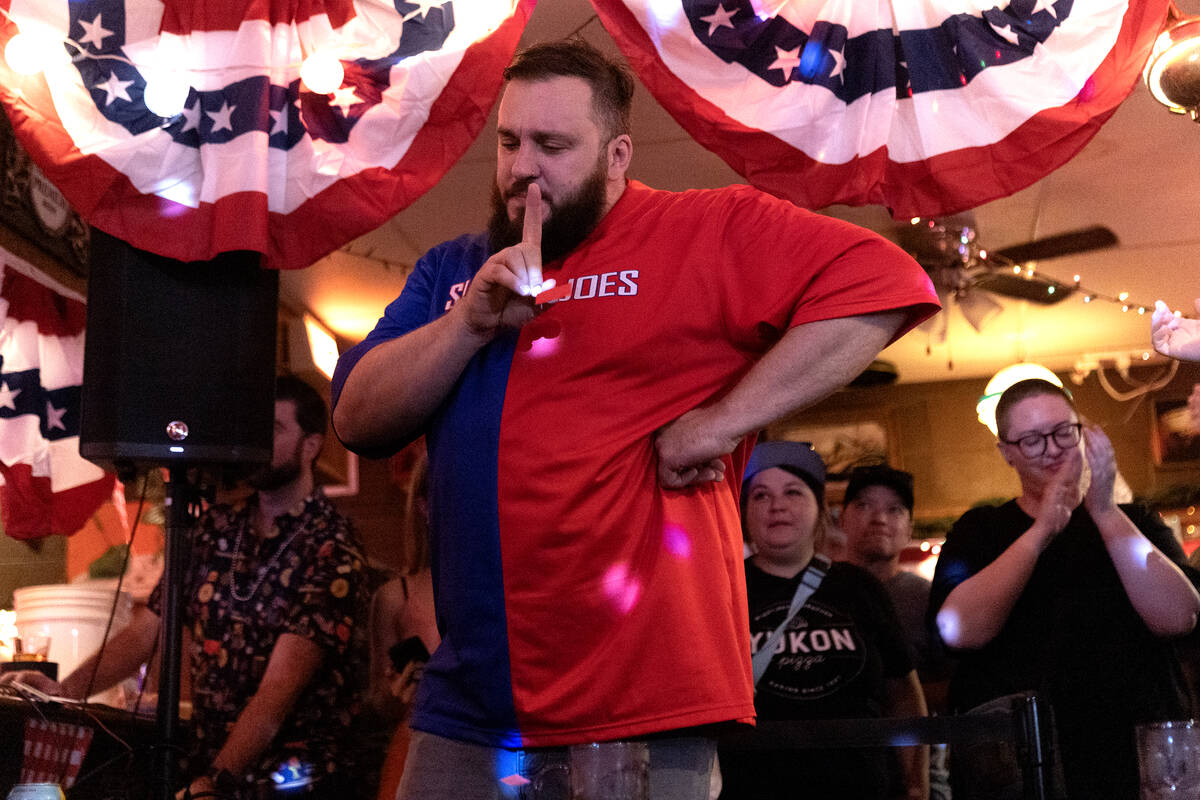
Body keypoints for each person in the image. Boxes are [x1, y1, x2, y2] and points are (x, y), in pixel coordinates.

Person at [331, 38, 939, 799]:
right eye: (510, 141)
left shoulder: (705, 228)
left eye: (553, 145)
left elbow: (885, 283)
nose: (523, 166)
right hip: (470, 706)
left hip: (645, 702)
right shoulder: (452, 270)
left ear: (619, 154)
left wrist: (721, 422)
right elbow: (356, 418)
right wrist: (468, 325)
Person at [0, 375, 368, 799]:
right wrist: (65, 692)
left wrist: (213, 779)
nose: (259, 443)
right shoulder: (217, 527)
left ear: (311, 445)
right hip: (213, 771)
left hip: (298, 781)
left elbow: (277, 693)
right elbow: (145, 630)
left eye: (275, 429)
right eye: (254, 431)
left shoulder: (331, 543)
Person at [930, 378, 1200, 799]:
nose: (1053, 448)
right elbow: (958, 631)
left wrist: (1105, 512)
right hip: (1026, 759)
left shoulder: (1135, 521)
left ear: (1084, 433)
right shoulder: (981, 530)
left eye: (1062, 432)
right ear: (1007, 452)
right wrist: (1041, 531)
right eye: (1033, 440)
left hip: (1133, 751)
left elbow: (1179, 617)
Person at [718, 441, 929, 800]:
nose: (777, 506)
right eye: (761, 496)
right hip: (752, 786)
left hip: (861, 785)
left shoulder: (858, 586)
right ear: (744, 512)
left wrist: (916, 784)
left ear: (820, 509)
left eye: (793, 492)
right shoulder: (723, 590)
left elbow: (904, 693)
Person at [840, 465, 953, 702]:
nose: (879, 519)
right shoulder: (820, 591)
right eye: (864, 506)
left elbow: (951, 682)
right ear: (842, 519)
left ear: (909, 530)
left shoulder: (928, 598)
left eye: (894, 509)